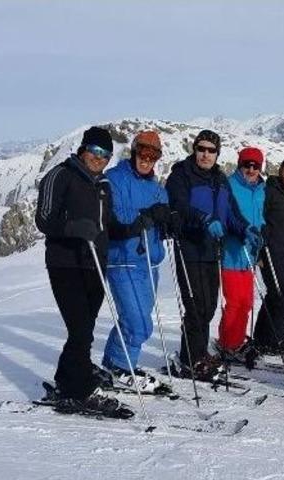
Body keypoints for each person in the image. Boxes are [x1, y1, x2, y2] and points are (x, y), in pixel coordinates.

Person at [35, 126, 133, 417]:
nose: (99, 158)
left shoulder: (102, 185)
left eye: (105, 154)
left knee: (84, 329)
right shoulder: (61, 175)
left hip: (95, 263)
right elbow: (43, 219)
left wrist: (140, 225)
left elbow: (109, 226)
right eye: (95, 151)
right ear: (83, 149)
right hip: (65, 262)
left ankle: (68, 378)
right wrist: (73, 228)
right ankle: (77, 391)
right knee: (80, 330)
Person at [165, 129, 253, 380]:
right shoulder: (181, 174)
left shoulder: (220, 179)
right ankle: (191, 359)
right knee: (195, 307)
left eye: (211, 150)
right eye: (201, 149)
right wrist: (204, 219)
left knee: (209, 306)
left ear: (217, 154)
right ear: (195, 149)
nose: (205, 154)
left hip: (211, 250)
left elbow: (231, 213)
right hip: (189, 247)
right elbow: (178, 205)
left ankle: (199, 353)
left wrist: (245, 228)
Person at [100, 130, 174, 392]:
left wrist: (167, 224)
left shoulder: (157, 189)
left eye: (152, 155)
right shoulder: (115, 179)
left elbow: (162, 215)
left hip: (149, 263)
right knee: (138, 322)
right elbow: (115, 216)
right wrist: (147, 216)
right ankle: (121, 367)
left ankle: (112, 364)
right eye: (142, 152)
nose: (146, 159)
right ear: (133, 152)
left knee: (135, 319)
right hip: (123, 260)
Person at [214, 147, 266, 363]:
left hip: (249, 255)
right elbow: (223, 214)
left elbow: (261, 216)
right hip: (232, 252)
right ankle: (228, 343)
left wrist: (261, 234)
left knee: (246, 303)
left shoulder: (261, 189)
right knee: (235, 302)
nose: (251, 169)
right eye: (247, 165)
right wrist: (236, 232)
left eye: (255, 166)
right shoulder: (230, 185)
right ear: (240, 165)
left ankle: (235, 341)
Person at [253, 156, 284, 359]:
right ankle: (275, 341)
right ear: (280, 170)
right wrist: (258, 250)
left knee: (275, 296)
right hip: (270, 251)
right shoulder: (269, 191)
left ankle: (262, 339)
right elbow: (258, 219)